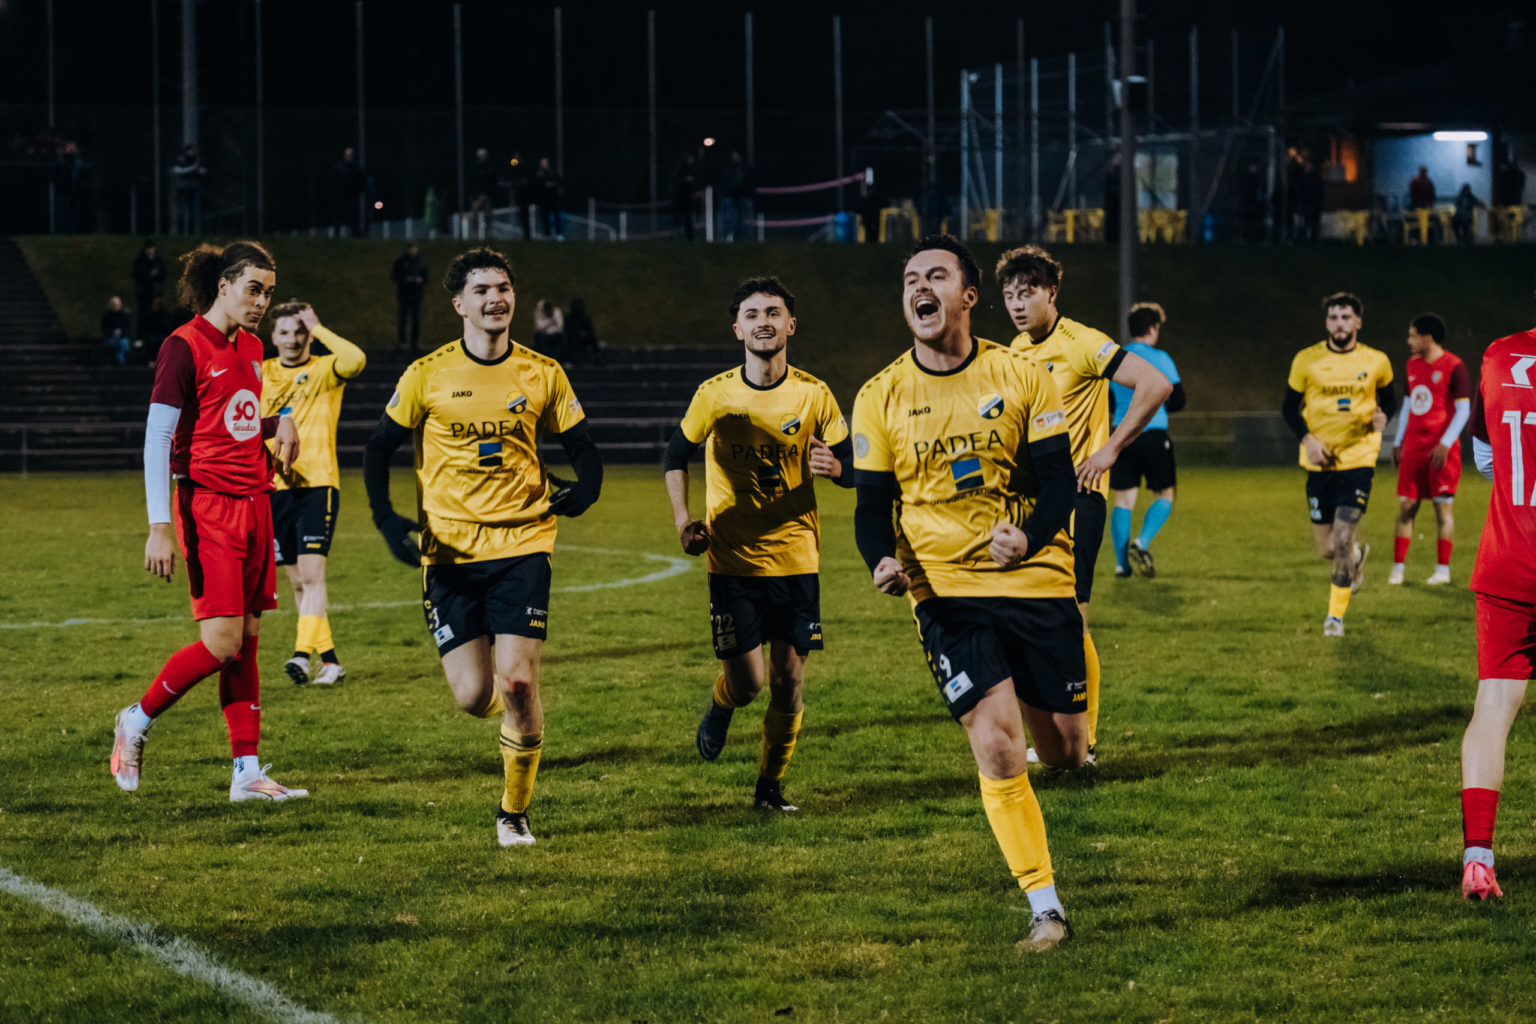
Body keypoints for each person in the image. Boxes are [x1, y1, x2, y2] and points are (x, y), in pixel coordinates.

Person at [852, 234, 1081, 952]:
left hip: (1033, 580)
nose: (920, 288)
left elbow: (1059, 483)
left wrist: (1029, 537)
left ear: (969, 296)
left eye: (937, 276)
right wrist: (880, 559)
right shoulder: (879, 395)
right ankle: (1045, 908)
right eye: (910, 279)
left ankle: (1067, 703)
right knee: (997, 742)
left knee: (1067, 750)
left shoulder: (1022, 376)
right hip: (943, 589)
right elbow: (870, 506)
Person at [362, 248, 602, 848]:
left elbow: (582, 446)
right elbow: (377, 448)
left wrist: (588, 488)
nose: (495, 298)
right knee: (474, 696)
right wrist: (386, 518)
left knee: (517, 682)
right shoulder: (427, 374)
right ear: (459, 305)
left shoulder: (542, 372)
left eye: (503, 287)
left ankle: (513, 811)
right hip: (448, 552)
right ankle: (519, 719)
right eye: (482, 290)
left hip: (523, 542)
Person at [109, 240, 307, 803]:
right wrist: (159, 526)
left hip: (256, 502)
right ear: (223, 285)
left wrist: (279, 421)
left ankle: (246, 774)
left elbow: (234, 422)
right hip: (207, 505)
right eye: (253, 289)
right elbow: (158, 438)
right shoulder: (183, 346)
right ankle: (136, 719)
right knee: (221, 641)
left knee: (247, 641)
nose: (262, 301)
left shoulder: (252, 346)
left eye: (268, 292)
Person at [664, 276, 853, 812]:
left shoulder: (814, 394)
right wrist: (684, 520)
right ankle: (723, 702)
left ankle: (769, 788)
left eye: (773, 313)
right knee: (747, 685)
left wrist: (838, 468)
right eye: (752, 314)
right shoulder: (715, 394)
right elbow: (675, 454)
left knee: (788, 681)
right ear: (737, 329)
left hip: (796, 558)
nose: (763, 322)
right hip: (732, 561)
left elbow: (855, 467)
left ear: (791, 325)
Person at [998, 245, 1171, 760]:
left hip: (1077, 500)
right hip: (1030, 505)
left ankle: (1085, 741)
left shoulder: (1082, 343)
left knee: (1071, 620)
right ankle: (1053, 736)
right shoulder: (1014, 348)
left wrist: (1110, 448)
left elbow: (1155, 384)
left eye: (1027, 292)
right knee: (1026, 620)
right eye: (1009, 295)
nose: (1017, 304)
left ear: (1052, 292)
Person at [1458, 316, 1536, 900]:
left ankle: (1478, 860)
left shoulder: (1498, 355)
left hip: (1509, 559)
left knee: (1493, 705)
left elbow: (1486, 461)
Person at [261, 300, 368, 686]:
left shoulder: (325, 369)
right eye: (285, 332)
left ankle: (301, 655)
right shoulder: (262, 373)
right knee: (296, 582)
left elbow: (355, 360)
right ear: (273, 337)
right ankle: (331, 663)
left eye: (300, 331)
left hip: (317, 484)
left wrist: (319, 327)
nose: (293, 339)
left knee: (311, 575)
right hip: (275, 487)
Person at [1281, 292, 1396, 637]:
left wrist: (1383, 417)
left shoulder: (1376, 360)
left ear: (1358, 321)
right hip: (1319, 462)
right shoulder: (1307, 360)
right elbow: (1288, 408)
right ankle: (1356, 558)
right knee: (1329, 548)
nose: (1339, 324)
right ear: (1326, 322)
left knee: (1343, 536)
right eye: (1333, 317)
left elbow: (1389, 399)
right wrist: (1308, 441)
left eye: (1346, 317)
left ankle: (1335, 618)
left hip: (1358, 459)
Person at [1389, 314, 1469, 586]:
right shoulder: (1412, 365)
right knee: (1407, 506)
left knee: (1442, 509)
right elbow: (1408, 406)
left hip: (1441, 451)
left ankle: (1442, 571)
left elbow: (1463, 410)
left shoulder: (1454, 366)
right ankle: (1397, 569)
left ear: (1428, 337)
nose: (1409, 340)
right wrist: (1398, 441)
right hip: (1414, 448)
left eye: (1413, 335)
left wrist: (1445, 443)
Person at [1108, 302, 1186, 579]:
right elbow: (1178, 399)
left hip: (1122, 435)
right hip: (1153, 435)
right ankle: (1141, 542)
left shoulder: (1117, 358)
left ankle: (1121, 565)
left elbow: (1108, 400)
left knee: (1123, 500)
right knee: (1165, 494)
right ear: (1152, 328)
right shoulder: (1160, 358)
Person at [391, 243, 427, 353]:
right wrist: (406, 279)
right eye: (411, 248)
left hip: (416, 295)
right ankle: (402, 341)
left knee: (415, 320)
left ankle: (414, 343)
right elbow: (394, 276)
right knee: (403, 319)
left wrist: (420, 280)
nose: (413, 250)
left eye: (415, 248)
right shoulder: (400, 262)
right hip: (404, 294)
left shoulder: (421, 262)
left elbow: (426, 277)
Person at [132, 241, 167, 338]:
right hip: (144, 293)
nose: (150, 250)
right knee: (143, 315)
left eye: (152, 248)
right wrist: (148, 275)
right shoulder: (140, 262)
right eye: (149, 248)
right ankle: (142, 336)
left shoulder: (158, 261)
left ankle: (156, 335)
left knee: (156, 315)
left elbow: (163, 275)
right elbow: (136, 275)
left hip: (156, 293)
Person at [171, 145, 206, 235]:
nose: (191, 152)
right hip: (182, 189)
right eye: (190, 151)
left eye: (193, 151)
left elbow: (203, 171)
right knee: (181, 212)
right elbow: (176, 170)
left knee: (193, 212)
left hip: (193, 189)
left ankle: (192, 232)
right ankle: (180, 232)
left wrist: (198, 170)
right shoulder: (180, 159)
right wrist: (191, 168)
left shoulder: (197, 160)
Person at [562, 298, 601, 363]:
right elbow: (568, 332)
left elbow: (590, 330)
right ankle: (576, 358)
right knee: (574, 339)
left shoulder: (586, 319)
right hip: (573, 339)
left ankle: (597, 355)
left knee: (592, 337)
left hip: (585, 338)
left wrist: (585, 334)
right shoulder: (569, 319)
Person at [534, 157, 563, 240]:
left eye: (545, 163)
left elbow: (559, 182)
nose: (544, 165)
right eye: (542, 164)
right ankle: (547, 234)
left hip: (554, 199)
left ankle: (559, 234)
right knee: (545, 217)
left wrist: (550, 184)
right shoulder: (539, 174)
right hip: (544, 200)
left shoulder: (553, 173)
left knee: (557, 216)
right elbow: (538, 186)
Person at [101, 295, 132, 365]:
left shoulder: (125, 315)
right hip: (110, 338)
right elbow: (104, 329)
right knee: (121, 345)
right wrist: (113, 332)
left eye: (117, 305)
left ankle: (119, 362)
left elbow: (128, 329)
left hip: (122, 337)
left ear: (120, 305)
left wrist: (121, 332)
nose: (115, 306)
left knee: (122, 343)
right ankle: (121, 362)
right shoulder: (106, 316)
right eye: (113, 305)